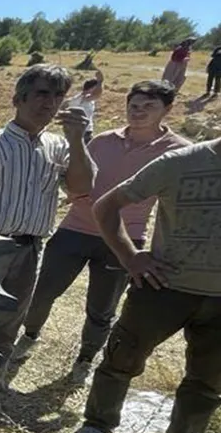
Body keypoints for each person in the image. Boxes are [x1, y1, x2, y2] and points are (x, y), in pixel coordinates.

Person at [11, 80, 191, 384]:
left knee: (101, 306)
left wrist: (157, 249)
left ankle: (85, 358)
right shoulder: (104, 141)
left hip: (123, 240)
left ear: (167, 110)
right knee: (42, 292)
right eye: (134, 105)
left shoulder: (179, 152)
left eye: (149, 107)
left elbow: (177, 207)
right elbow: (78, 175)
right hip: (74, 229)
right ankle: (29, 335)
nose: (139, 112)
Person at [66, 137, 221, 433]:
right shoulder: (179, 162)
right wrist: (130, 257)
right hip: (163, 288)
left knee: (208, 381)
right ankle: (97, 424)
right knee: (123, 358)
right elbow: (106, 206)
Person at [0, 63, 95, 422]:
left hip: (29, 248)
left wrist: (79, 140)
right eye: (41, 94)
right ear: (18, 99)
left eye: (57, 96)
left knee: (7, 328)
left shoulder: (58, 148)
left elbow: (82, 188)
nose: (49, 103)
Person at [66, 70, 103, 142]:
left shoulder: (78, 98)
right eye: (95, 87)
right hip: (83, 133)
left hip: (80, 131)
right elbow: (97, 94)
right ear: (91, 88)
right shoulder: (85, 98)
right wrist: (100, 82)